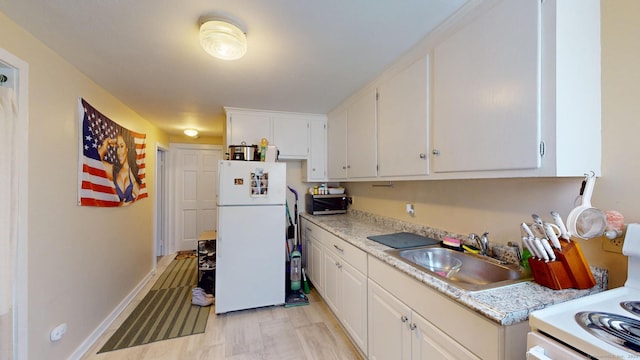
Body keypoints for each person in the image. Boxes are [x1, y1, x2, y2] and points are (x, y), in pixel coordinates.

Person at [98, 127, 142, 204]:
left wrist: (128, 204)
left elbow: (140, 198)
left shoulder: (132, 174)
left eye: (122, 146)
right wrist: (106, 144)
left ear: (127, 149)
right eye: (117, 147)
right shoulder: (114, 170)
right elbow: (95, 161)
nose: (119, 151)